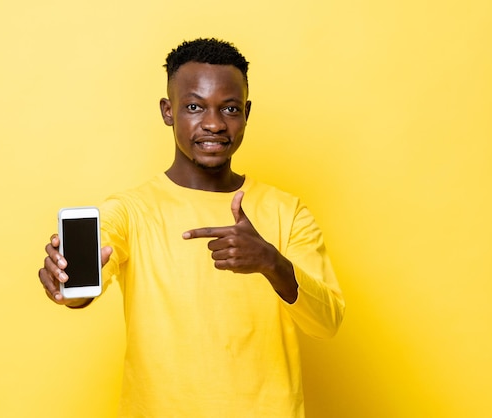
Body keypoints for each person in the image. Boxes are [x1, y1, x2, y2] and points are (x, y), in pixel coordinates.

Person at [38, 38, 345, 417]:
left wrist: (271, 262)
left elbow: (328, 323)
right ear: (168, 111)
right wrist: (67, 283)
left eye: (229, 108)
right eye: (195, 107)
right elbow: (87, 280)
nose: (214, 123)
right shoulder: (129, 211)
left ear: (246, 112)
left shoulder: (288, 212)